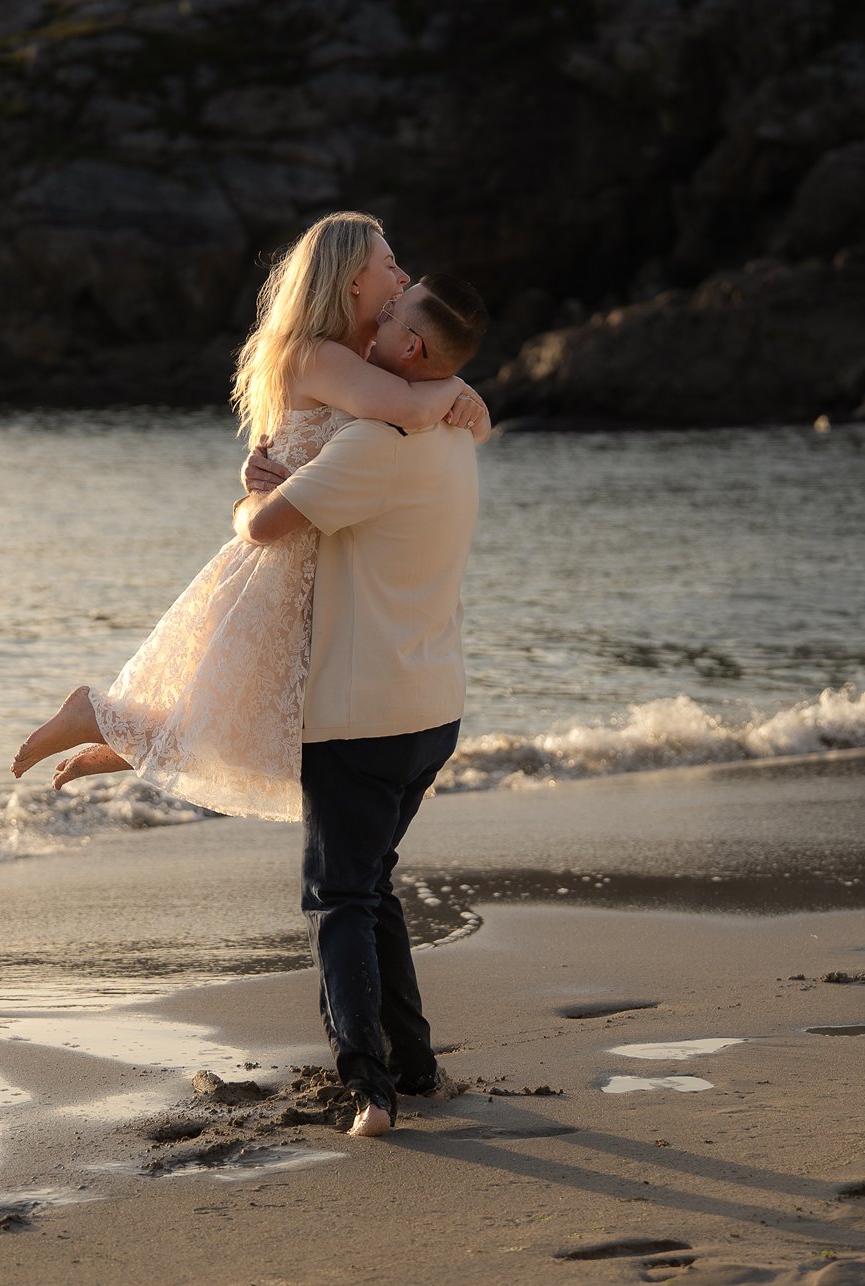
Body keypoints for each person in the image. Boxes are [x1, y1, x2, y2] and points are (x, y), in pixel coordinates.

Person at [10, 213, 489, 822]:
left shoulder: (361, 354)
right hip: (286, 549)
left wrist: (455, 393)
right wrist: (453, 390)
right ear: (350, 282)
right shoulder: (313, 354)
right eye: (388, 264)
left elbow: (419, 408)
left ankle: (127, 742)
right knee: (255, 712)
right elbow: (406, 409)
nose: (400, 276)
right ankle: (99, 718)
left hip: (314, 541)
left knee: (258, 715)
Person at [232, 275, 484, 1138]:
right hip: (434, 710)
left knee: (338, 897)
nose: (372, 326)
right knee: (372, 884)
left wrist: (254, 486)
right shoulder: (455, 441)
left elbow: (262, 531)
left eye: (390, 321)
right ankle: (412, 1063)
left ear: (411, 351)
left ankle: (368, 1085)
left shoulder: (373, 445)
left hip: (359, 715)